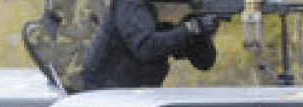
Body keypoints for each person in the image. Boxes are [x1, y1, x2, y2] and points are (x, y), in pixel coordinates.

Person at [81, 0, 219, 90]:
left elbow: (204, 62)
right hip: (104, 95)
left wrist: (201, 32)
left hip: (141, 96)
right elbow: (145, 47)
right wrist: (190, 28)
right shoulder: (129, 4)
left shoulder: (173, 9)